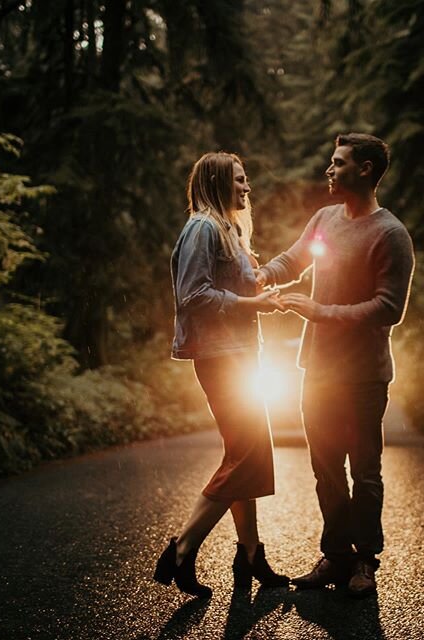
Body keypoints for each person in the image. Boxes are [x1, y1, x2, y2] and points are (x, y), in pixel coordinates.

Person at [255, 133, 415, 598]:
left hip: (364, 377)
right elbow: (295, 259)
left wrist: (319, 311)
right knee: (326, 469)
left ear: (364, 170)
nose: (329, 170)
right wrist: (263, 274)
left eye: (338, 162)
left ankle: (365, 560)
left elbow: (389, 308)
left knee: (364, 470)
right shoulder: (325, 218)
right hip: (318, 371)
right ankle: (337, 556)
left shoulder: (390, 233)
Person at [153, 151, 289, 597]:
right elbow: (193, 294)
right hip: (219, 357)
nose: (247, 188)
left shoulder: (231, 229)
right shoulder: (203, 228)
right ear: (216, 182)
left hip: (242, 355)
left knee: (243, 453)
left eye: (247, 179)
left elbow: (237, 287)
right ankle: (182, 550)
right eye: (239, 180)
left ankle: (249, 554)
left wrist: (269, 290)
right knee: (247, 454)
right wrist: (251, 304)